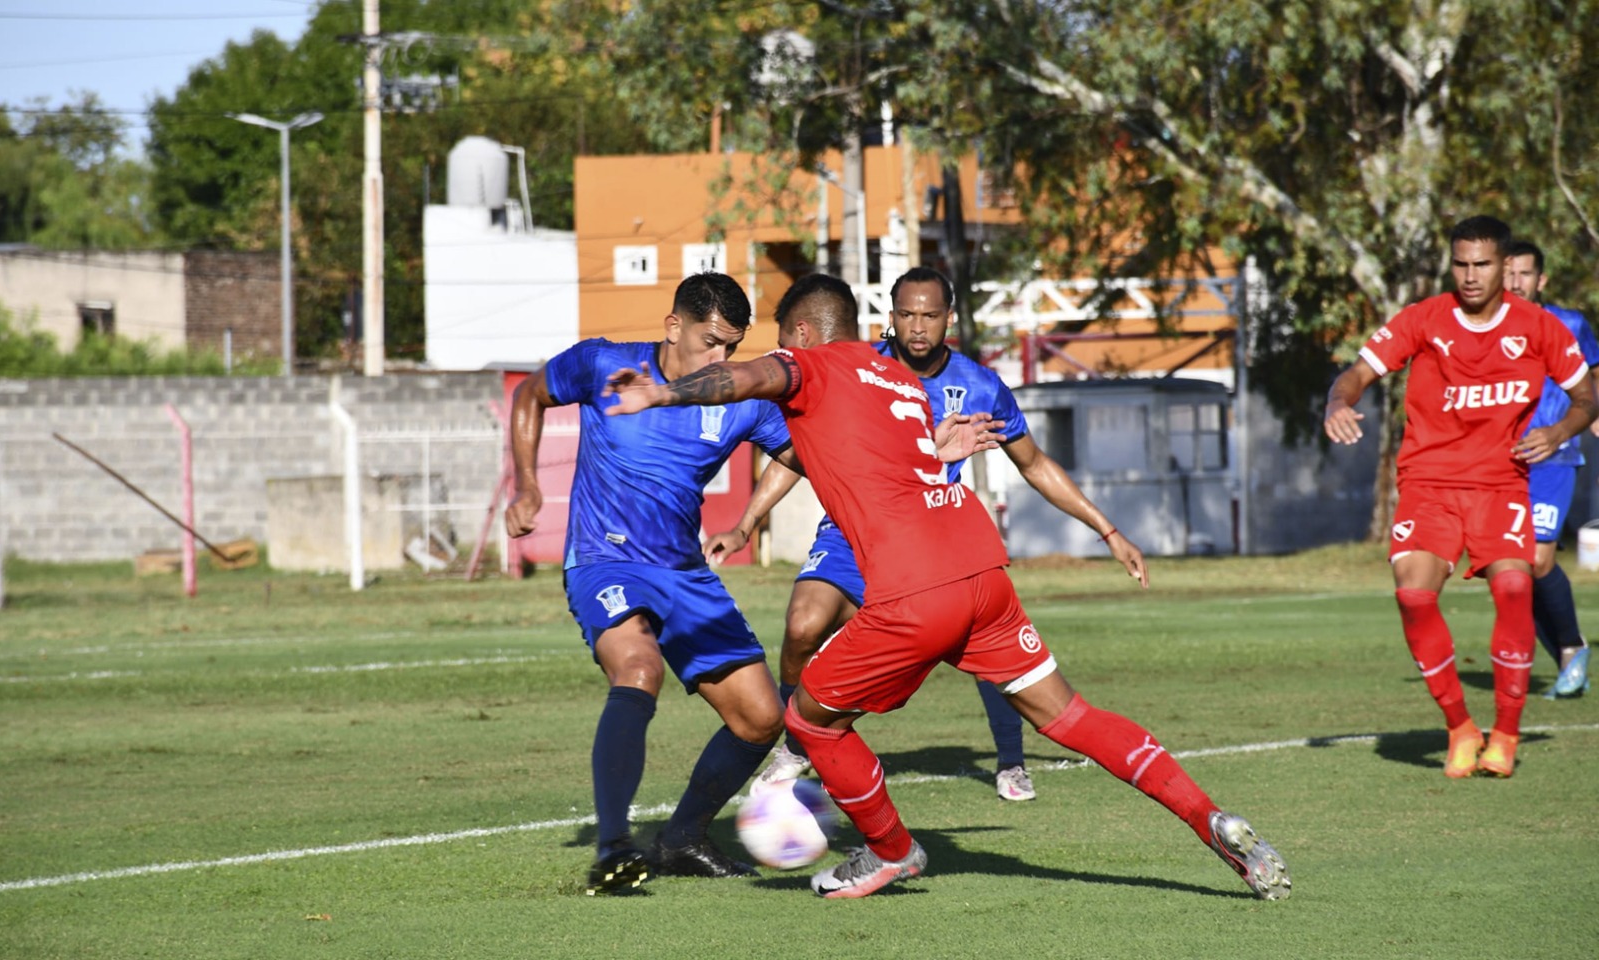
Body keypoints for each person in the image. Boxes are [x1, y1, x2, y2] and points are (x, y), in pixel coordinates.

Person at [604, 273, 1291, 901]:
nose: (775, 350)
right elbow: (876, 456)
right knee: (1070, 716)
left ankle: (890, 852)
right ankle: (1213, 818)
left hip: (913, 588)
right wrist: (939, 451)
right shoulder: (896, 380)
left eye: (783, 337)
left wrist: (664, 391)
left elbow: (744, 379)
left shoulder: (809, 363)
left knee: (809, 718)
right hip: (980, 571)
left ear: (804, 333)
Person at [707, 266, 1146, 802]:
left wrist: (1109, 530)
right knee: (802, 625)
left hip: (933, 542)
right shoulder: (858, 365)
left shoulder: (980, 384)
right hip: (854, 533)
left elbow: (1033, 464)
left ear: (949, 319)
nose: (917, 327)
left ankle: (1010, 761)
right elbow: (798, 453)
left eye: (930, 315)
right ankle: (799, 741)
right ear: (889, 318)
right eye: (906, 314)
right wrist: (746, 523)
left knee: (983, 645)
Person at [505, 272, 803, 895]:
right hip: (604, 561)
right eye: (711, 342)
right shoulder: (604, 364)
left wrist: (750, 520)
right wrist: (528, 485)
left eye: (733, 346)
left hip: (684, 573)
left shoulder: (740, 398)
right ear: (673, 328)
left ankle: (682, 839)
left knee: (760, 717)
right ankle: (613, 847)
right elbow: (530, 395)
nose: (721, 359)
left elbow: (804, 454)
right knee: (639, 669)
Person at [1324, 216, 1596, 779]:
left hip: (1501, 483)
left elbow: (1586, 399)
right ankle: (1460, 727)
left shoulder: (1539, 327)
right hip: (1429, 484)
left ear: (1504, 267)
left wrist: (1559, 432)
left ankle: (1507, 733)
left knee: (1517, 586)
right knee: (1413, 597)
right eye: (1461, 264)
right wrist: (1338, 403)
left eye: (1483, 264)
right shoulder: (1423, 319)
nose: (1470, 276)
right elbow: (1357, 372)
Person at [1503, 239, 1597, 698]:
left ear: (1541, 280)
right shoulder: (1486, 327)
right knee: (1510, 570)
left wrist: (1594, 416)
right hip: (1501, 460)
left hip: (1553, 456)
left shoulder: (1570, 323)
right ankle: (1567, 653)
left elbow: (1592, 373)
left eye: (1524, 274)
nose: (1515, 282)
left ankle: (1571, 650)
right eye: (1508, 273)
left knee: (1538, 559)